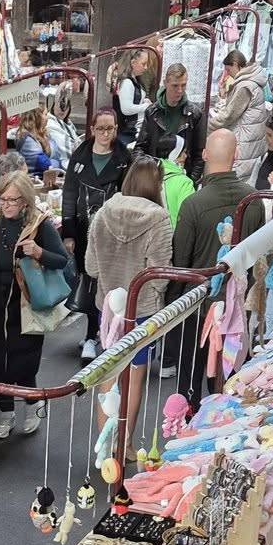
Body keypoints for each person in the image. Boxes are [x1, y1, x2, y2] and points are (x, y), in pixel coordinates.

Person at [0, 169, 70, 439]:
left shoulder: (40, 224)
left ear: (25, 200)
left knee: (24, 361)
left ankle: (33, 406)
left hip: (26, 304)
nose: (7, 205)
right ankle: (7, 413)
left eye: (13, 200)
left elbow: (62, 260)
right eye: (3, 199)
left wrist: (39, 252)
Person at [85, 154, 174, 437]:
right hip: (142, 310)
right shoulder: (159, 219)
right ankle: (125, 444)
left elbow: (91, 267)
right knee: (135, 376)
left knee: (108, 371)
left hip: (109, 308)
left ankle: (104, 445)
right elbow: (161, 275)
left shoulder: (103, 213)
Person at [60, 106, 130, 358]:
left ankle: (96, 334)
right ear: (92, 129)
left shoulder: (124, 158)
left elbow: (128, 195)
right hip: (82, 230)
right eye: (100, 128)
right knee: (88, 281)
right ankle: (93, 333)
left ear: (116, 129)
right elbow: (69, 194)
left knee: (105, 283)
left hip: (111, 231)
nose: (105, 133)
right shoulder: (79, 157)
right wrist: (68, 231)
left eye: (110, 128)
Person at [171, 126, 245, 269]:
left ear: (204, 154)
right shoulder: (254, 199)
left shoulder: (192, 204)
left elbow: (180, 262)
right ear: (236, 154)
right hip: (241, 279)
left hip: (199, 281)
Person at [208, 49, 269, 181]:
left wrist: (209, 126)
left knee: (239, 178)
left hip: (245, 140)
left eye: (228, 70)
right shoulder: (252, 82)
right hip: (251, 138)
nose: (228, 74)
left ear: (235, 64)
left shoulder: (245, 86)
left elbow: (229, 115)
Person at [136, 60, 204, 175]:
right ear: (165, 83)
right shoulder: (152, 112)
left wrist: (191, 181)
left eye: (183, 85)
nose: (180, 90)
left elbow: (200, 154)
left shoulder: (195, 114)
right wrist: (149, 172)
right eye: (175, 86)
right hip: (155, 175)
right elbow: (140, 149)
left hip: (182, 177)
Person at [113, 44, 159, 145]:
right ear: (133, 63)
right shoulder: (127, 82)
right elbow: (126, 109)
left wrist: (144, 102)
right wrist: (146, 106)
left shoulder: (134, 81)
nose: (146, 68)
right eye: (143, 64)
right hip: (130, 132)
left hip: (134, 129)